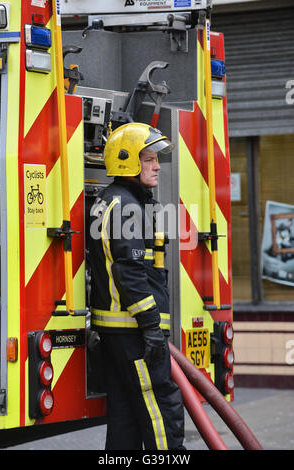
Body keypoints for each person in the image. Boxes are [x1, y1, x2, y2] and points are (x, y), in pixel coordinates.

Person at [88, 122, 185, 450]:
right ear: (127, 160)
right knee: (161, 406)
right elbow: (130, 273)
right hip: (134, 332)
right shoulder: (127, 206)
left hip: (117, 332)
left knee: (125, 417)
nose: (157, 165)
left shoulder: (111, 200)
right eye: (148, 159)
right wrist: (152, 328)